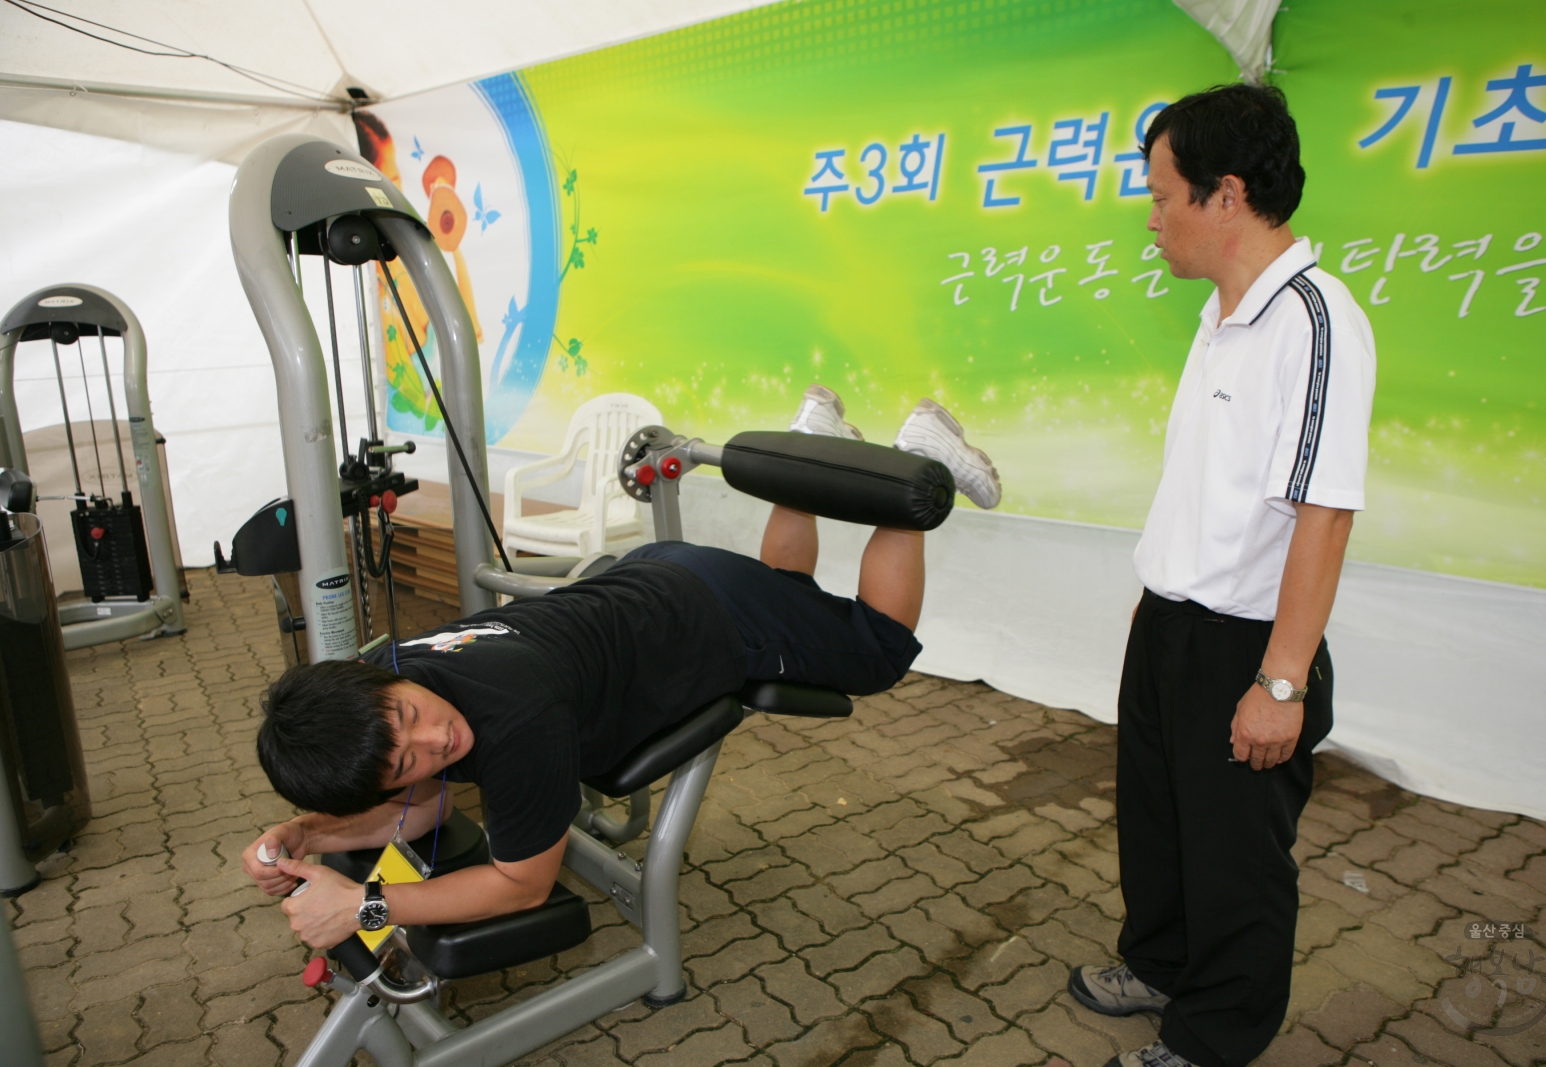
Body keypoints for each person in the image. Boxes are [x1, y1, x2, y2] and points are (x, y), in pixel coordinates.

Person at [242, 390, 1001, 949]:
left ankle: (919, 461)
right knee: (791, 592)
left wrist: (367, 907)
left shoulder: (517, 721)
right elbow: (424, 807)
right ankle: (810, 442)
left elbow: (521, 883)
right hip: (655, 574)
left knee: (875, 650)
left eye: (410, 718)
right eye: (403, 758)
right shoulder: (398, 664)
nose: (435, 739)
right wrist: (306, 831)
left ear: (383, 687)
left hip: (707, 618)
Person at [1066, 85, 1375, 1067]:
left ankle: (1213, 1034)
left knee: (1235, 854)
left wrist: (1280, 682)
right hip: (1171, 618)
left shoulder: (1316, 323)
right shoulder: (1218, 313)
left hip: (1246, 639)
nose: (1151, 220)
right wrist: (1154, 596)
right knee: (1158, 818)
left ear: (1226, 195)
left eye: (1162, 198)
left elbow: (1323, 510)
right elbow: (1207, 483)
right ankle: (1160, 962)